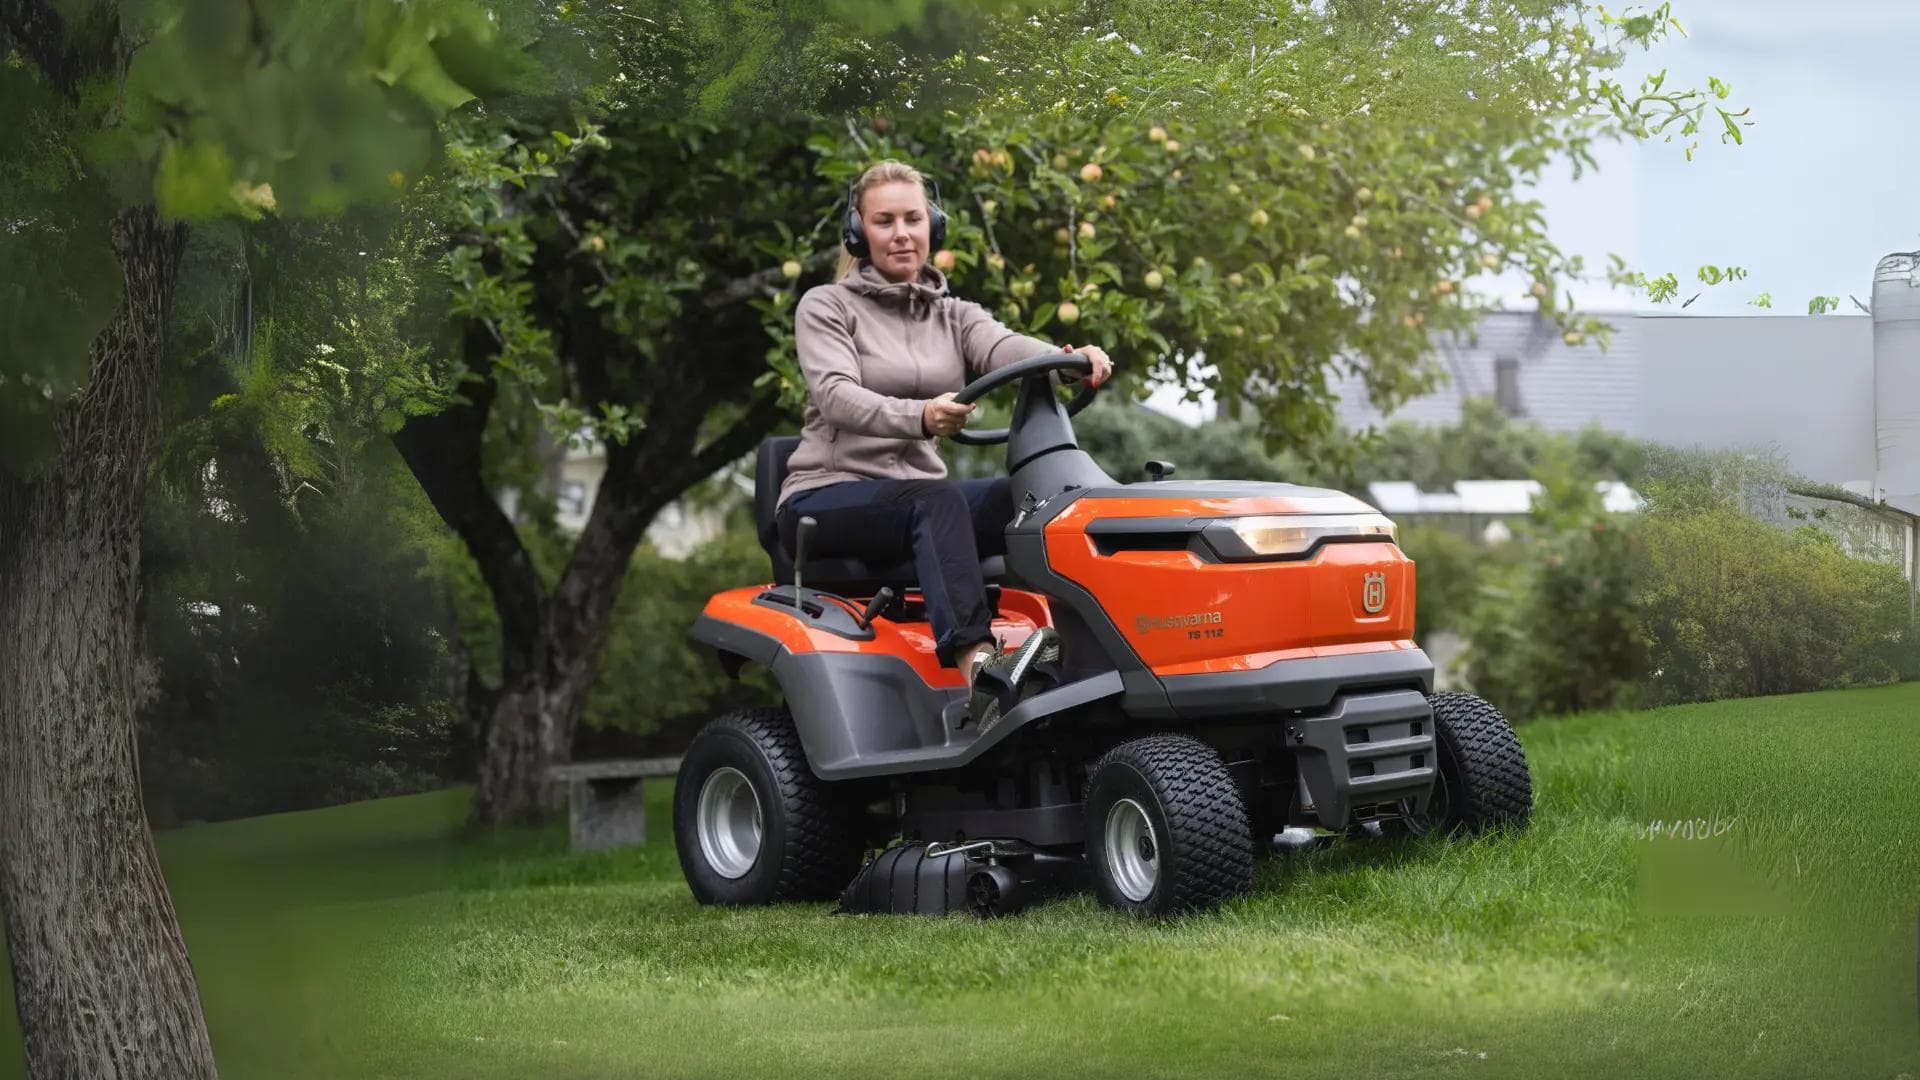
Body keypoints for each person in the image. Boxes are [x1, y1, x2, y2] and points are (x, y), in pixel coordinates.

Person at [776, 159, 1112, 722]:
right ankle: (980, 668)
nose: (901, 233)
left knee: (1038, 498)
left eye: (913, 219)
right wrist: (921, 417)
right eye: (884, 221)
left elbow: (1004, 347)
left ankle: (1082, 646)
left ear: (933, 226)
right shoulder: (826, 306)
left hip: (919, 503)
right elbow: (836, 396)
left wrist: (1067, 359)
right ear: (858, 232)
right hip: (826, 496)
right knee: (934, 500)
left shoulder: (954, 315)